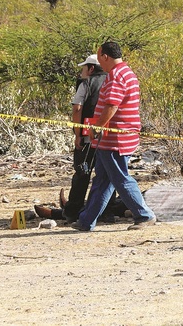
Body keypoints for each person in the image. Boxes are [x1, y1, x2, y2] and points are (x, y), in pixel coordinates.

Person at [72, 41, 156, 231]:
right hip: (112, 138)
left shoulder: (117, 75)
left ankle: (144, 215)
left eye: (99, 56)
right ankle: (86, 220)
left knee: (120, 178)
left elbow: (112, 105)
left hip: (116, 139)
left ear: (105, 57)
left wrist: (97, 127)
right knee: (102, 179)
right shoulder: (125, 72)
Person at [34, 54, 117, 223]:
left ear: (91, 68)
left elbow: (77, 108)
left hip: (87, 138)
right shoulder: (112, 81)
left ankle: (72, 212)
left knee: (82, 174)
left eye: (83, 68)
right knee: (107, 176)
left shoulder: (86, 83)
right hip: (107, 138)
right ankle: (107, 213)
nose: (82, 72)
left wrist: (78, 134)